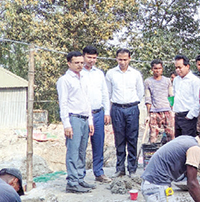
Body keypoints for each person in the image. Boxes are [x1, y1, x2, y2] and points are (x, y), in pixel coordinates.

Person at [57, 51, 95, 193]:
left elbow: (87, 100)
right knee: (73, 150)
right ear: (69, 63)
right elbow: (63, 103)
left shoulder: (83, 78)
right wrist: (66, 124)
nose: (80, 65)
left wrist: (90, 119)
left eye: (81, 62)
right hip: (73, 118)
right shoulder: (64, 80)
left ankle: (80, 177)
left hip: (84, 117)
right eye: (76, 63)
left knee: (82, 150)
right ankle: (72, 182)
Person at [106, 48, 144, 178]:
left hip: (132, 108)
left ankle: (132, 169)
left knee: (132, 139)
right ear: (116, 59)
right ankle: (120, 168)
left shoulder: (135, 74)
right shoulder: (111, 74)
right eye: (120, 59)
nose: (122, 62)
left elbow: (140, 92)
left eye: (125, 59)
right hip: (117, 109)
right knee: (119, 139)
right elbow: (108, 93)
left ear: (129, 59)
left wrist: (131, 103)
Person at [82, 46, 111, 184]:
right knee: (81, 145)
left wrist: (107, 111)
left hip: (98, 113)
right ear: (83, 57)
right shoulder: (78, 73)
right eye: (89, 57)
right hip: (81, 115)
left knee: (98, 143)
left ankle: (99, 172)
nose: (91, 60)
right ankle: (80, 175)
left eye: (94, 58)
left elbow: (105, 93)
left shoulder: (99, 74)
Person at [145, 59, 175, 144]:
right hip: (154, 112)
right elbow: (148, 98)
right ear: (152, 69)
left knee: (171, 135)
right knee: (153, 136)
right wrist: (148, 115)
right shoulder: (148, 81)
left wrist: (172, 110)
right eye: (155, 68)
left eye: (159, 68)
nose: (157, 70)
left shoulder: (167, 80)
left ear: (162, 69)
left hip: (167, 110)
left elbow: (171, 95)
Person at [172, 55, 200, 137]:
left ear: (187, 66)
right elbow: (174, 95)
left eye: (180, 67)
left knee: (187, 144)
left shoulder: (194, 81)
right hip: (177, 116)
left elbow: (199, 100)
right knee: (178, 143)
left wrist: (190, 116)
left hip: (188, 117)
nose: (177, 70)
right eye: (176, 67)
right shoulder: (176, 80)